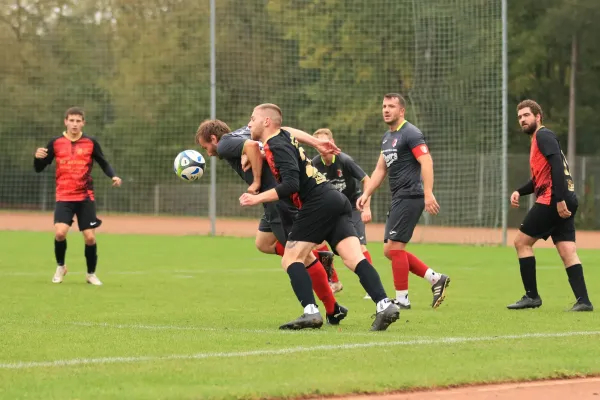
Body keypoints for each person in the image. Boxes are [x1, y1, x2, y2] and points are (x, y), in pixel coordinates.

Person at [239, 103, 401, 331]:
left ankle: (311, 312)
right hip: (334, 199)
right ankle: (384, 304)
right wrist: (313, 142)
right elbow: (286, 129)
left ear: (266, 122)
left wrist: (257, 198)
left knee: (291, 259)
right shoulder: (280, 136)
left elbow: (291, 184)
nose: (249, 123)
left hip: (317, 203)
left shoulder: (276, 145)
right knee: (354, 258)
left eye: (253, 118)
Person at [195, 120, 349, 326]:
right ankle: (324, 276)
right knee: (263, 242)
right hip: (273, 203)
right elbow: (279, 133)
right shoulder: (244, 132)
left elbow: (250, 147)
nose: (208, 153)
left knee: (298, 258)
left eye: (206, 147)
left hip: (278, 201)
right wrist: (313, 142)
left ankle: (321, 310)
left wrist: (256, 180)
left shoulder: (224, 144)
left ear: (213, 139)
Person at [357, 93, 450, 309]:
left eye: (391, 106)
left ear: (402, 111)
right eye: (383, 106)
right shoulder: (387, 137)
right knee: (390, 250)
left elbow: (426, 161)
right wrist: (366, 193)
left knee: (396, 248)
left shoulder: (411, 133)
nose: (386, 110)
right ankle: (436, 279)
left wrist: (428, 192)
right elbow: (380, 169)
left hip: (412, 195)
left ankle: (402, 300)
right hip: (399, 197)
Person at [507, 99, 593, 312]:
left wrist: (559, 199)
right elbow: (538, 179)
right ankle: (583, 301)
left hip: (552, 199)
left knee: (521, 242)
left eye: (526, 115)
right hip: (564, 197)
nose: (522, 120)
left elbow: (556, 167)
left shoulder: (543, 135)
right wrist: (519, 190)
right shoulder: (538, 139)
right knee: (567, 250)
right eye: (519, 117)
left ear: (538, 117)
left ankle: (532, 296)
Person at [33, 107, 122, 286]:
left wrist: (113, 175)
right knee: (60, 233)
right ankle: (61, 267)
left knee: (90, 238)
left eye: (78, 121)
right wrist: (37, 158)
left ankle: (90, 274)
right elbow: (39, 168)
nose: (74, 124)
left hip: (85, 197)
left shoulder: (90, 142)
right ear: (65, 121)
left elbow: (103, 162)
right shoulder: (55, 143)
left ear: (83, 123)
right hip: (64, 196)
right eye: (71, 120)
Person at [311, 128, 374, 299]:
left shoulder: (345, 160)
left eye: (325, 143)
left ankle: (371, 287)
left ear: (332, 142)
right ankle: (335, 282)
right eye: (319, 144)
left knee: (359, 248)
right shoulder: (314, 164)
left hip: (352, 208)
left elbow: (367, 180)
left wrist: (366, 207)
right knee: (316, 244)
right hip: (331, 210)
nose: (322, 147)